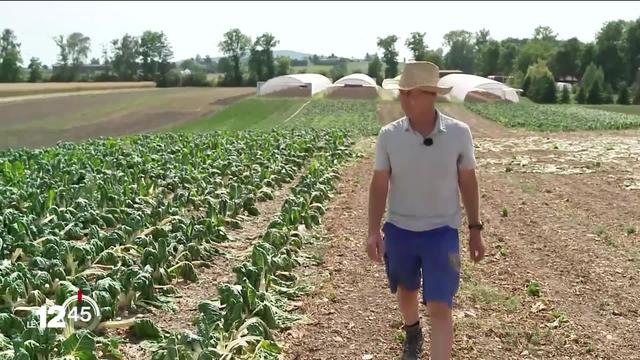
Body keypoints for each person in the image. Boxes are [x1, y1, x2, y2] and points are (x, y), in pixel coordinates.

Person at [366, 62, 485, 360]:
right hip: (400, 229)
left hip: (442, 232)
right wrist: (372, 230)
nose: (404, 100)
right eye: (402, 93)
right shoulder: (389, 136)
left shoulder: (459, 134)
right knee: (406, 290)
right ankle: (412, 331)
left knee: (440, 306)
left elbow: (468, 182)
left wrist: (475, 229)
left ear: (432, 95)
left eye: (412, 94)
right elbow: (379, 184)